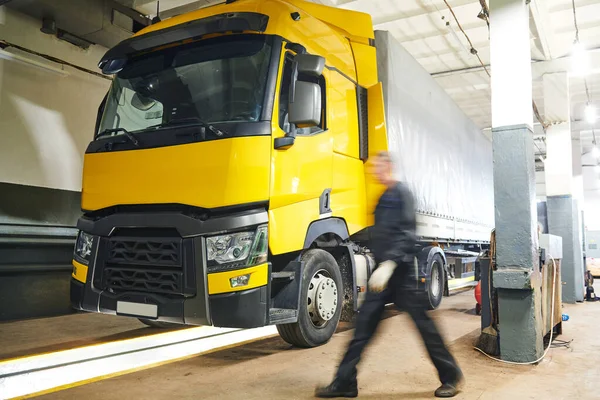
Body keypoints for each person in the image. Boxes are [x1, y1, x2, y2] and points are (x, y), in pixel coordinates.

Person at [315, 152, 463, 399]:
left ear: (390, 167)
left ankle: (451, 377)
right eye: (374, 167)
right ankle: (345, 382)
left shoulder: (401, 193)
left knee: (425, 327)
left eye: (380, 166)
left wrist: (391, 263)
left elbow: (407, 233)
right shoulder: (382, 198)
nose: (375, 171)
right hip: (382, 274)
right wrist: (379, 265)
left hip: (402, 273)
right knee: (362, 330)